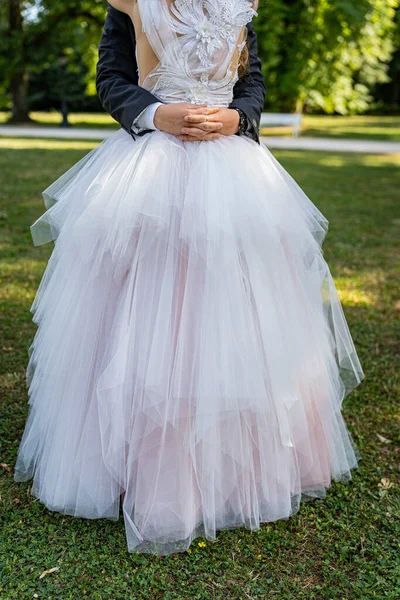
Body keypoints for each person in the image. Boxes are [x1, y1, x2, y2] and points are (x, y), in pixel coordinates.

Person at [14, 0, 364, 556]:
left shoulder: (241, 5)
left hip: (235, 175)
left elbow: (252, 85)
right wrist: (157, 114)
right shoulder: (129, 3)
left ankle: (247, 462)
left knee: (242, 308)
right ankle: (136, 465)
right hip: (152, 175)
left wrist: (236, 118)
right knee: (150, 311)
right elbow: (111, 79)